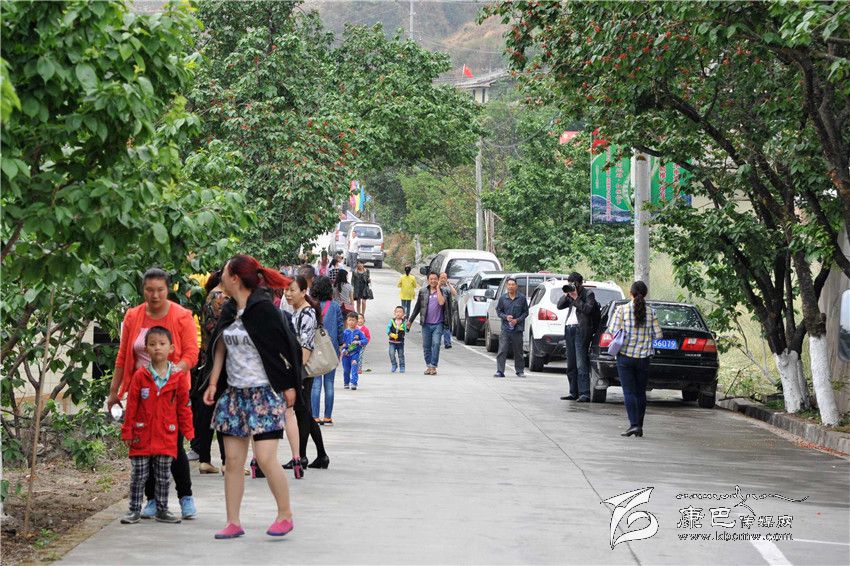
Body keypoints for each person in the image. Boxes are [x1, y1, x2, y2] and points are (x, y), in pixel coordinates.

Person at [202, 254, 301, 539]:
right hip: (235, 395)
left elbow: (284, 348)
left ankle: (285, 514)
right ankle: (233, 522)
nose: (220, 276)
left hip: (264, 394)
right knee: (233, 463)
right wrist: (213, 381)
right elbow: (220, 346)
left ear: (235, 278)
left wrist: (289, 385)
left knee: (266, 458)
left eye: (224, 272)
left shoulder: (263, 308)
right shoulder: (229, 309)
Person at [107, 267, 199, 520]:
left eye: (160, 290)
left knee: (173, 445)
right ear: (143, 290)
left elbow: (191, 353)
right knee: (144, 445)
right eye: (149, 290)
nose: (155, 295)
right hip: (142, 391)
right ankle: (152, 500)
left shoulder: (181, 316)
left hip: (171, 391)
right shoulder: (133, 316)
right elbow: (123, 356)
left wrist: (173, 371)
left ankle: (185, 497)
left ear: (168, 290)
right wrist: (114, 391)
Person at [121, 326, 194, 525]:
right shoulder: (140, 375)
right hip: (142, 434)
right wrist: (128, 431)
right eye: (152, 344)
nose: (157, 348)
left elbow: (184, 406)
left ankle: (162, 509)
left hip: (166, 434)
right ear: (145, 348)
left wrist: (188, 430)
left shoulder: (178, 376)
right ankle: (134, 510)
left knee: (163, 475)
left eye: (162, 344)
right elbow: (132, 406)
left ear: (171, 348)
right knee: (139, 475)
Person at [285, 276, 330, 469]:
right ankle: (320, 455)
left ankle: (302, 456)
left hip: (303, 369)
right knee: (304, 412)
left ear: (304, 292)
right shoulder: (296, 311)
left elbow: (306, 346)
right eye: (286, 290)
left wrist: (297, 373)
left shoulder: (307, 313)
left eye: (292, 290)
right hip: (298, 368)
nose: (288, 294)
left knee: (302, 412)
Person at [608, 281, 663, 438]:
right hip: (643, 358)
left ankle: (634, 425)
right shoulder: (651, 312)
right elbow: (659, 335)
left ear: (630, 292)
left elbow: (612, 330)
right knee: (640, 393)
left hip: (625, 356)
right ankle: (639, 426)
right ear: (645, 294)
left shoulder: (622, 310)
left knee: (629, 392)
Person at [192, 270, 228, 475]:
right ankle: (225, 461)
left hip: (210, 359)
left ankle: (207, 459)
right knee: (220, 408)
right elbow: (217, 331)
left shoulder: (213, 295)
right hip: (217, 361)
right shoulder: (219, 297)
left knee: (209, 409)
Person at [556, 272, 599, 402]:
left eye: (573, 283)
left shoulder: (588, 294)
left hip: (581, 330)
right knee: (571, 363)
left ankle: (584, 393)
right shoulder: (570, 294)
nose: (571, 285)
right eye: (569, 283)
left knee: (581, 362)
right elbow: (559, 306)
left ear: (580, 283)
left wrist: (576, 298)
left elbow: (588, 309)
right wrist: (566, 294)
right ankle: (573, 392)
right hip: (569, 329)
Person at [310, 276, 343, 425]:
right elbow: (340, 327)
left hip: (315, 348)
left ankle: (315, 417)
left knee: (316, 383)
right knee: (329, 383)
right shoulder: (335, 306)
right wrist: (340, 344)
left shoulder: (310, 305)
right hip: (331, 348)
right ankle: (328, 417)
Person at [408, 272, 451, 375]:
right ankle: (429, 366)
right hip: (426, 324)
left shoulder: (444, 291)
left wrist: (438, 288)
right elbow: (417, 307)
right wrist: (410, 321)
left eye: (435, 279)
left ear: (438, 280)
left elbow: (441, 302)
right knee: (426, 346)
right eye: (431, 279)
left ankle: (433, 366)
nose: (433, 281)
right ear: (428, 280)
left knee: (436, 343)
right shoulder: (423, 291)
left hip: (438, 324)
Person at [494, 277, 529, 378]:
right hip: (505, 329)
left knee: (518, 351)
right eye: (509, 285)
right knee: (502, 350)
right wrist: (506, 317)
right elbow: (499, 311)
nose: (511, 286)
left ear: (516, 286)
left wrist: (517, 320)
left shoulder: (522, 298)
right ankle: (500, 371)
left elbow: (526, 312)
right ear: (506, 286)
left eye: (513, 285)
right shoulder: (503, 298)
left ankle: (520, 371)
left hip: (517, 329)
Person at [341, 312, 368, 390]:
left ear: (356, 321)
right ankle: (346, 382)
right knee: (346, 370)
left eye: (353, 320)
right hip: (346, 355)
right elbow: (341, 343)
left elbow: (365, 340)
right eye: (349, 320)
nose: (351, 322)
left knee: (354, 368)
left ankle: (354, 383)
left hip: (355, 354)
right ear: (347, 321)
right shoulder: (344, 332)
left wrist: (358, 342)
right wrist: (343, 350)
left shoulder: (358, 332)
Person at [439, 272, 458, 349]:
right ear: (439, 278)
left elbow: (455, 294)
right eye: (442, 278)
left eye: (445, 278)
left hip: (446, 311)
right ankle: (436, 342)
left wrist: (449, 285)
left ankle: (447, 343)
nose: (443, 279)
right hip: (437, 311)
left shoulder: (448, 287)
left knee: (446, 326)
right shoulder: (436, 286)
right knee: (438, 327)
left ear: (447, 278)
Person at [387, 306, 408, 373]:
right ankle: (394, 364)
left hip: (400, 342)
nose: (398, 313)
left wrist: (406, 326)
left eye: (400, 312)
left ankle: (402, 366)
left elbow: (406, 330)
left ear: (403, 314)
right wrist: (390, 334)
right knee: (391, 353)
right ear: (394, 313)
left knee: (401, 355)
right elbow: (388, 329)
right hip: (392, 342)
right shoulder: (392, 321)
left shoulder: (404, 322)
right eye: (397, 312)